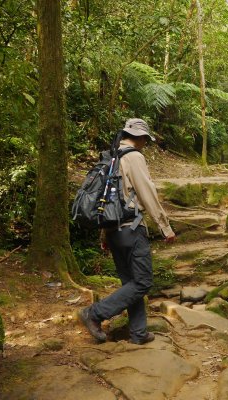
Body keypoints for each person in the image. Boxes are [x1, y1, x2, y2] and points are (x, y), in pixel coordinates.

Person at [79, 118, 175, 345]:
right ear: (140, 137)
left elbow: (108, 199)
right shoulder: (134, 157)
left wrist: (104, 234)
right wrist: (165, 227)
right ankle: (94, 313)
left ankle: (138, 333)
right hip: (132, 229)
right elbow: (146, 193)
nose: (145, 144)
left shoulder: (111, 157)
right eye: (145, 140)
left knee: (130, 282)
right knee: (142, 283)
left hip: (113, 231)